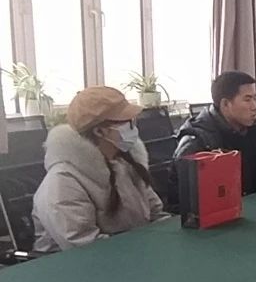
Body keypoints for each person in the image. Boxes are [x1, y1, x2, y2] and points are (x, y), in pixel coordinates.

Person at [31, 86, 169, 252]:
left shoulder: (125, 163)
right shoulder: (62, 182)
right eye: (127, 122)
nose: (134, 126)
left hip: (131, 254)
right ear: (99, 131)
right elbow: (84, 246)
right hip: (78, 265)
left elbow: (156, 215)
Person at [168, 71, 256, 208]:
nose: (255, 108)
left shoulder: (254, 130)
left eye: (255, 99)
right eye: (247, 100)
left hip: (251, 207)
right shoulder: (196, 141)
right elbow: (184, 201)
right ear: (225, 104)